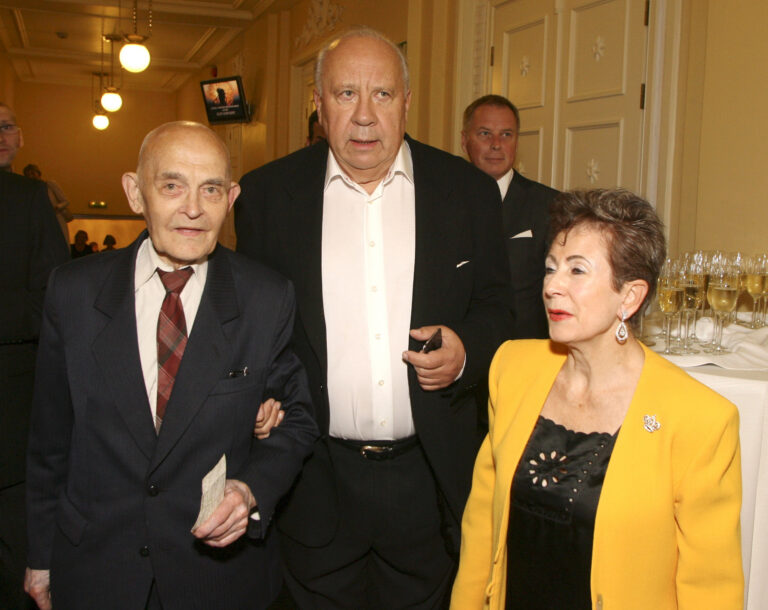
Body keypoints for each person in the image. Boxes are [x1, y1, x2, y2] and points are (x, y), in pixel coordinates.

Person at [235, 27, 511, 609]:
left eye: (382, 94)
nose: (364, 116)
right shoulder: (266, 196)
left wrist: (466, 352)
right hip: (313, 482)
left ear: (407, 102)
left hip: (430, 481)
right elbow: (248, 327)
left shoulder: (468, 192)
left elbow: (500, 310)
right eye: (345, 94)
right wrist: (259, 397)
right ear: (318, 105)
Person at [24, 121, 319, 610]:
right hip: (96, 569)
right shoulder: (73, 293)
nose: (193, 208)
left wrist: (250, 490)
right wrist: (39, 556)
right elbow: (49, 441)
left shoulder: (265, 297)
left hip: (216, 581)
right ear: (135, 193)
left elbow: (299, 419)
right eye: (172, 186)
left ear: (231, 198)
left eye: (211, 189)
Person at [450, 189, 743, 609]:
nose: (552, 286)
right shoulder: (512, 369)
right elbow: (482, 527)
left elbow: (711, 590)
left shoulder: (699, 419)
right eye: (550, 268)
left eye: (577, 270)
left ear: (630, 296)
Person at [0, 104, 69, 610]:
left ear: (20, 137)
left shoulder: (29, 199)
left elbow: (53, 294)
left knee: (17, 554)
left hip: (13, 398)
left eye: (6, 125)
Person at [462, 95, 558, 339]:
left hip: (526, 350)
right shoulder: (442, 201)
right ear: (464, 141)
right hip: (460, 352)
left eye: (506, 134)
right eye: (485, 134)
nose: (496, 144)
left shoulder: (550, 206)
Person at [23, 163, 73, 244]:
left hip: (56, 218)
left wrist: (56, 207)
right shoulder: (30, 192)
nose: (31, 176)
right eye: (28, 175)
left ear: (38, 173)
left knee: (61, 241)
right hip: (43, 222)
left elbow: (65, 201)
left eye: (32, 173)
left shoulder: (49, 185)